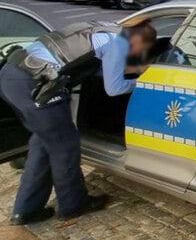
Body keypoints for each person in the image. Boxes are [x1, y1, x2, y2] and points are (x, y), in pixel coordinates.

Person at [0, 18, 157, 225]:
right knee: (65, 145)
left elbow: (88, 63)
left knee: (44, 143)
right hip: (36, 83)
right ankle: (74, 205)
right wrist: (145, 79)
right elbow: (114, 88)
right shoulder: (119, 41)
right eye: (142, 49)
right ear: (137, 40)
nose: (137, 55)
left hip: (12, 74)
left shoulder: (102, 28)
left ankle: (26, 211)